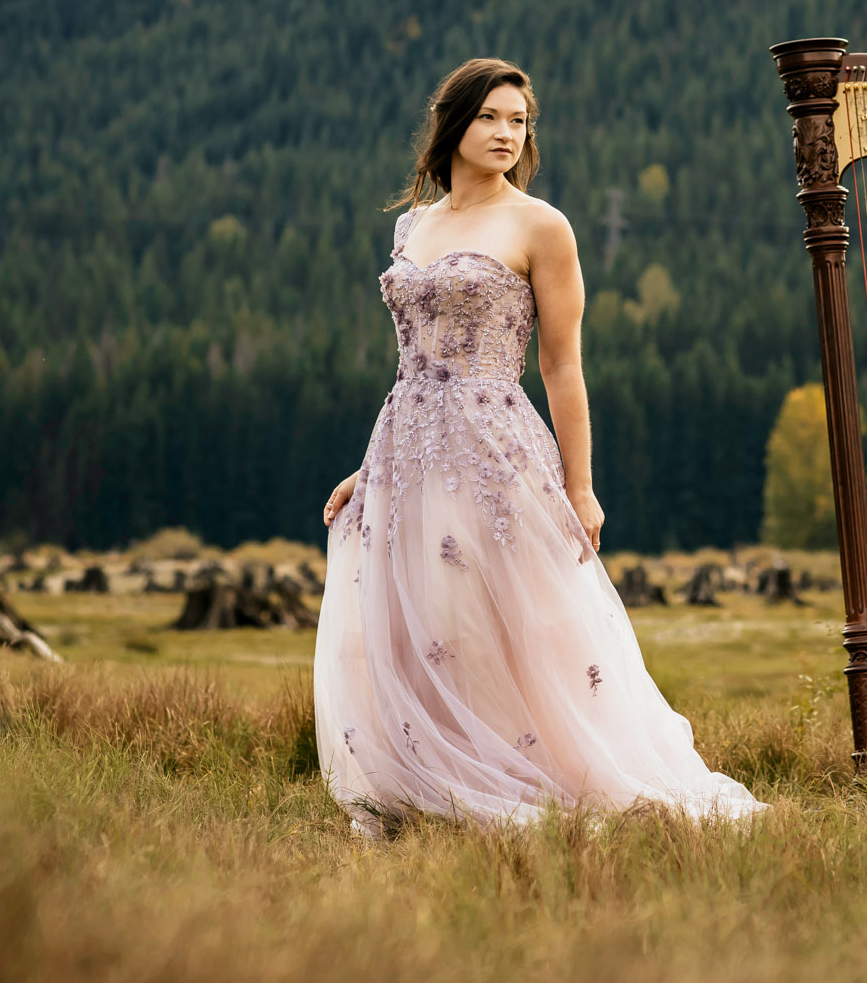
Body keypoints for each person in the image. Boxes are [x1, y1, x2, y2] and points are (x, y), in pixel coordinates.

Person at [314, 57, 766, 834]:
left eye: (518, 120)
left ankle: (515, 782)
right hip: (403, 447)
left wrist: (580, 485)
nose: (506, 133)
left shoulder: (541, 225)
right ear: (453, 122)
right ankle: (420, 790)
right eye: (491, 116)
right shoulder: (412, 225)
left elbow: (561, 364)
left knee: (494, 626)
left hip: (495, 446)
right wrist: (368, 468)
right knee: (409, 624)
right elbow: (410, 364)